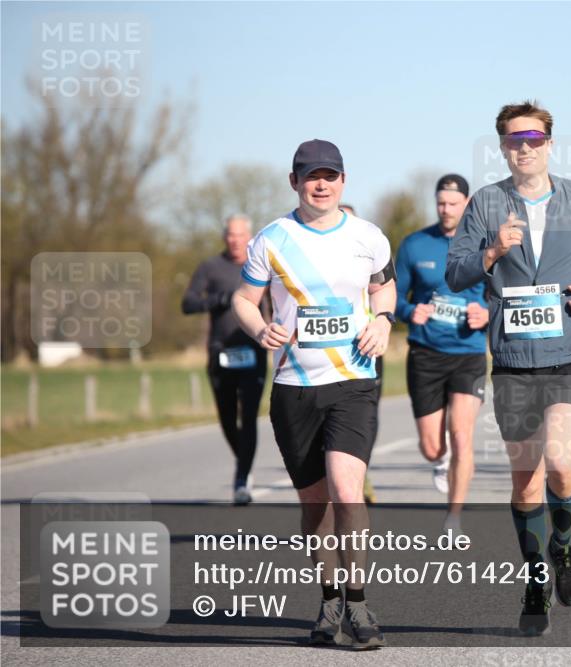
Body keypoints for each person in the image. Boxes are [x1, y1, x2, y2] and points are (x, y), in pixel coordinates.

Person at [445, 100, 571, 636]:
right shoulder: (486, 204)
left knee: (559, 460)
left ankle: (563, 549)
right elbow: (456, 273)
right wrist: (489, 254)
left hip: (570, 353)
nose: (524, 146)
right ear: (502, 146)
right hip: (511, 360)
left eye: (533, 137)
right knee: (527, 481)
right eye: (513, 139)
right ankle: (536, 578)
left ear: (550, 143)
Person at [232, 139, 394, 649]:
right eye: (310, 176)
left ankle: (360, 602)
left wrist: (385, 319)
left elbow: (383, 287)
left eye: (329, 175)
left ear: (344, 181)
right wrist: (260, 329)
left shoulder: (368, 237)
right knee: (316, 505)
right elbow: (244, 298)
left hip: (353, 382)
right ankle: (329, 600)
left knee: (348, 492)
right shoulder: (271, 239)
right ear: (294, 182)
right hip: (294, 389)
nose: (320, 184)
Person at [395, 173, 488, 534]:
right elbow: (393, 296)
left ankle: (454, 517)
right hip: (426, 353)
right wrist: (408, 313)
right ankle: (440, 459)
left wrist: (488, 313)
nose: (446, 209)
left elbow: (502, 295)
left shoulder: (485, 246)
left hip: (468, 352)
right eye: (440, 203)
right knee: (433, 446)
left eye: (453, 203)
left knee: (461, 434)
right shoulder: (414, 245)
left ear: (466, 204)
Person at [182, 214, 267, 505]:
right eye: (230, 235)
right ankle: (245, 462)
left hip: (253, 349)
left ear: (249, 237)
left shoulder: (259, 264)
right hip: (221, 351)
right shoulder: (210, 267)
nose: (235, 240)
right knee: (228, 419)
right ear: (224, 238)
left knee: (250, 416)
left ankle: (242, 479)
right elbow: (188, 302)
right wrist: (218, 299)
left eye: (240, 235)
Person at [343, 203, 378, 506]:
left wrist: (383, 321)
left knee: (361, 425)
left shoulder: (367, 254)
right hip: (311, 369)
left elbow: (388, 291)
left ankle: (359, 474)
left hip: (362, 356)